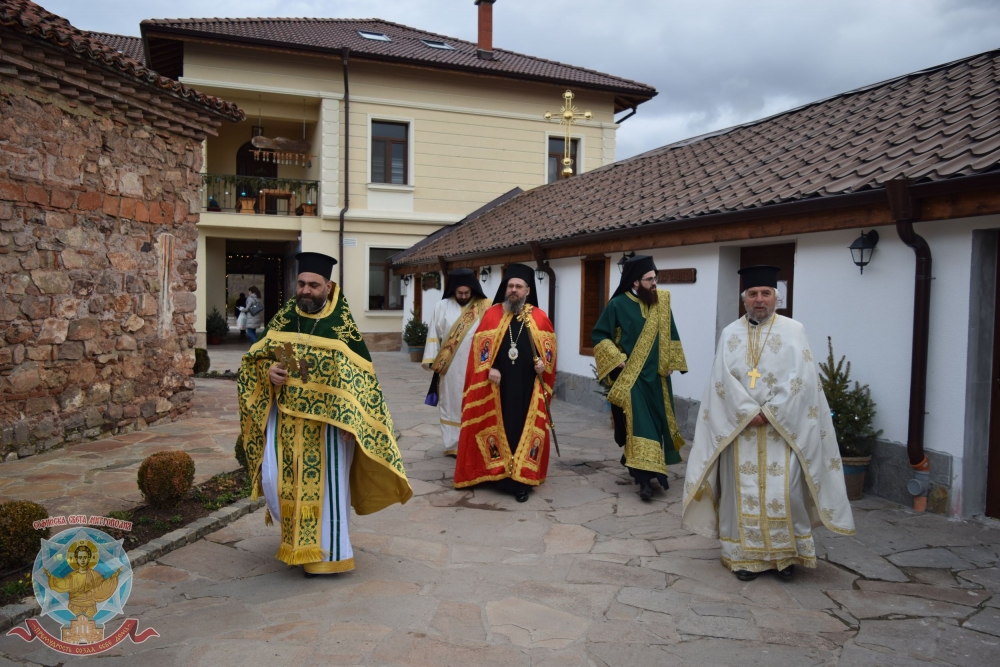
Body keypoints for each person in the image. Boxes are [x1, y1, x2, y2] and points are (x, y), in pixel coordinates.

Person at [238, 252, 412, 576]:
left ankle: (328, 557)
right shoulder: (285, 318)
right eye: (301, 283)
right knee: (277, 483)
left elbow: (362, 382)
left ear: (328, 287)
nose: (305, 290)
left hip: (328, 429)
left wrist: (354, 423)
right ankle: (296, 546)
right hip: (286, 422)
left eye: (313, 285)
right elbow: (254, 360)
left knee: (327, 492)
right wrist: (268, 372)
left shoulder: (341, 326)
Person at [682, 265, 855, 581]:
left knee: (785, 493)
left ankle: (785, 558)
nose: (759, 299)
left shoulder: (794, 331)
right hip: (740, 430)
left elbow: (802, 379)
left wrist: (772, 411)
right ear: (744, 298)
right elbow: (721, 380)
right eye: (753, 294)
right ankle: (743, 558)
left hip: (782, 431)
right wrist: (748, 411)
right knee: (740, 494)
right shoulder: (730, 334)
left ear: (777, 297)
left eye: (765, 293)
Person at [453, 264, 556, 502]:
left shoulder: (539, 318)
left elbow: (548, 355)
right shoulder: (492, 315)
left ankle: (520, 480)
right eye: (510, 286)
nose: (514, 290)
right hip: (497, 388)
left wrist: (543, 365)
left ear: (527, 290)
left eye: (518, 286)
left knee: (521, 430)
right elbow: (481, 354)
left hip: (527, 387)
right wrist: (492, 367)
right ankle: (495, 473)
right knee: (498, 429)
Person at [592, 255, 688, 501]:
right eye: (649, 279)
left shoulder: (662, 301)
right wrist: (616, 358)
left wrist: (671, 362)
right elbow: (600, 335)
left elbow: (671, 331)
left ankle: (636, 462)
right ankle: (646, 481)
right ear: (635, 282)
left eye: (655, 278)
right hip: (632, 377)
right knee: (640, 425)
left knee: (656, 424)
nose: (654, 283)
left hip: (657, 378)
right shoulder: (617, 305)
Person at [422, 268, 491, 457]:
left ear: (473, 289)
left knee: (475, 403)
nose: (463, 296)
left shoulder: (485, 305)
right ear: (453, 290)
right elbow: (434, 333)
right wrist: (432, 359)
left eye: (467, 293)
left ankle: (474, 443)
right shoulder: (441, 306)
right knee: (451, 403)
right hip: (450, 367)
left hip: (476, 365)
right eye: (460, 293)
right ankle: (453, 445)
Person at [44, 541, 120, 618]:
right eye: (80, 557)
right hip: (75, 607)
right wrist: (51, 577)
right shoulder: (72, 576)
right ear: (76, 559)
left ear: (89, 558)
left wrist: (113, 577)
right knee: (75, 623)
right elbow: (62, 584)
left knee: (90, 624)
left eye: (85, 557)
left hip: (90, 607)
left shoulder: (95, 574)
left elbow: (102, 587)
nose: (82, 560)